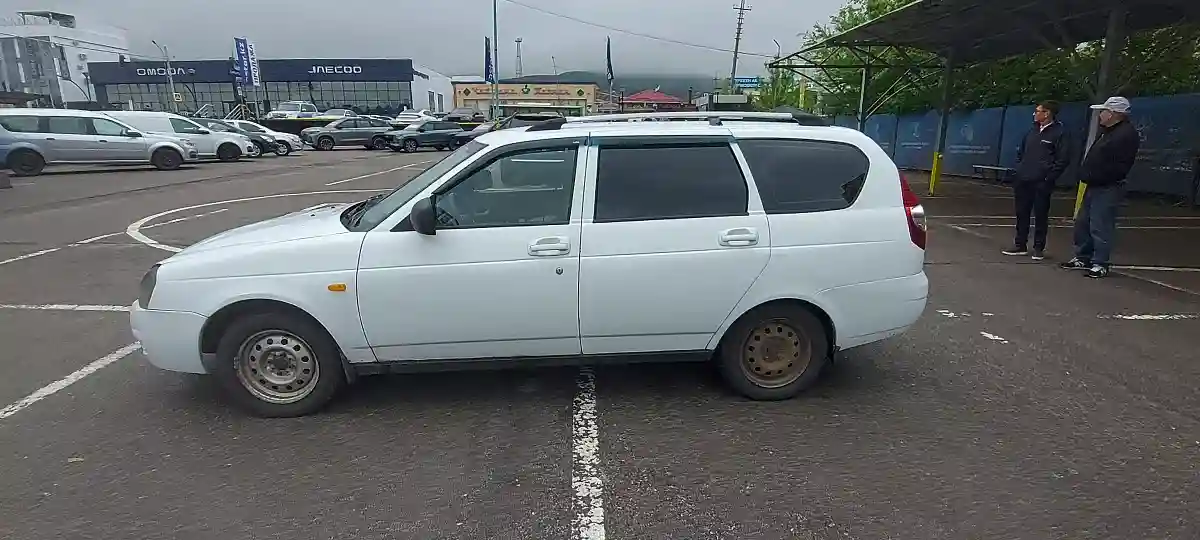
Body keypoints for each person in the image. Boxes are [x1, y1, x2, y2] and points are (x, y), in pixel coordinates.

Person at [1059, 96, 1140, 278]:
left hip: (1107, 187)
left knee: (1100, 225)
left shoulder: (1125, 135)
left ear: (1113, 114)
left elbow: (1120, 165)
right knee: (1083, 223)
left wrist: (1099, 176)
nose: (1100, 115)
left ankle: (1100, 262)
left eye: (1103, 111)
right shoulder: (1108, 132)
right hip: (1094, 185)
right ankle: (1083, 256)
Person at [1003, 101, 1070, 260]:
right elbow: (1021, 152)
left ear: (1047, 113)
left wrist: (1048, 177)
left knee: (1040, 214)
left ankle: (1039, 247)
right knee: (1021, 212)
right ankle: (1020, 244)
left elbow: (1063, 159)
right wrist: (1019, 170)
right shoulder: (1031, 131)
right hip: (1023, 179)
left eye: (1038, 111)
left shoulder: (1060, 133)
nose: (1035, 114)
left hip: (1041, 181)